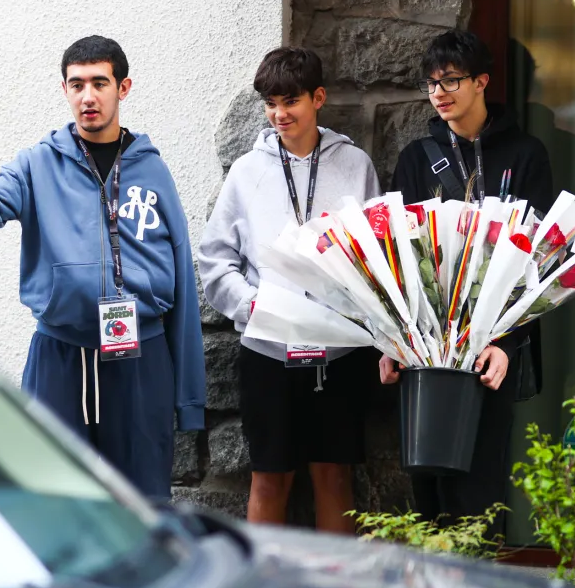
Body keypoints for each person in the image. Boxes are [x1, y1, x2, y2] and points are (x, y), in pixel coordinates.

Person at [0, 35, 205, 501]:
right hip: (60, 356)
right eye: (77, 84)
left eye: (99, 83)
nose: (88, 96)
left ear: (123, 88)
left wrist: (189, 399)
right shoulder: (37, 164)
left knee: (142, 500)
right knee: (55, 495)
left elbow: (182, 274)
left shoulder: (152, 170)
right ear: (64, 88)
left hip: (140, 356)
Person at [198, 47, 381, 533]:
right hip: (267, 349)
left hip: (337, 351)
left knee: (334, 477)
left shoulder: (355, 166)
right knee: (269, 479)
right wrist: (252, 305)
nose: (280, 114)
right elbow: (216, 258)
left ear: (318, 98)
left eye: (291, 101)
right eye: (271, 103)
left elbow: (377, 256)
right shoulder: (246, 172)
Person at [385, 29, 554, 537]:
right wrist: (394, 340)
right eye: (431, 83)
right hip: (427, 347)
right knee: (429, 484)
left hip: (491, 347)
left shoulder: (525, 154)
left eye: (451, 80)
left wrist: (507, 341)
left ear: (482, 81)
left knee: (481, 486)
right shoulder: (418, 158)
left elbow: (540, 257)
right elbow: (397, 256)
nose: (440, 92)